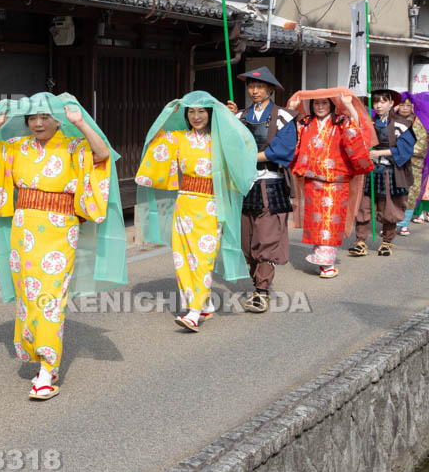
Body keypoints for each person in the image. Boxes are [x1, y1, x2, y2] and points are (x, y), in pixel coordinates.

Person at [0, 93, 126, 400]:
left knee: (50, 297)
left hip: (59, 229)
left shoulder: (74, 145)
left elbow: (102, 156)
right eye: (32, 118)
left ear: (58, 120)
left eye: (44, 117)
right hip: (23, 229)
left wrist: (81, 123)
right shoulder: (17, 147)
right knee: (28, 294)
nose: (37, 123)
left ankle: (48, 370)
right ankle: (36, 353)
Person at [135, 91, 257, 332]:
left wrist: (229, 120)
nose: (196, 116)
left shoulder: (220, 139)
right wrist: (166, 114)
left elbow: (244, 146)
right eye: (191, 111)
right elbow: (154, 141)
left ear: (211, 114)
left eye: (202, 111)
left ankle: (193, 312)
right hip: (185, 203)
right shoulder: (177, 137)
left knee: (202, 258)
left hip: (212, 203)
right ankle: (205, 303)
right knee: (182, 258)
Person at [226, 67, 298, 313]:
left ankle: (262, 290)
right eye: (250, 86)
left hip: (271, 183)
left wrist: (247, 158)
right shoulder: (239, 116)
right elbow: (227, 144)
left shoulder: (285, 118)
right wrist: (226, 119)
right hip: (244, 184)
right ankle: (257, 282)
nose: (254, 91)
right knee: (246, 242)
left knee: (266, 240)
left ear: (270, 89)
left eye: (260, 86)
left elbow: (282, 150)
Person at [286, 88, 374, 278]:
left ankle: (327, 262)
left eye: (325, 103)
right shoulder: (305, 122)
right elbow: (290, 136)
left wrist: (350, 105)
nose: (320, 107)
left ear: (332, 105)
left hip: (336, 180)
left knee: (331, 221)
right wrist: (292, 111)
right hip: (313, 179)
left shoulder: (342, 122)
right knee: (316, 220)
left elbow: (357, 132)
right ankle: (321, 257)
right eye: (316, 103)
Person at [349, 89, 415, 257]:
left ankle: (386, 242)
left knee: (389, 208)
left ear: (391, 104)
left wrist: (379, 153)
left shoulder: (402, 124)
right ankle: (360, 241)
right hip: (368, 171)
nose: (378, 106)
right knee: (363, 206)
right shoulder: (368, 123)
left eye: (383, 102)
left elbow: (405, 150)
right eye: (376, 102)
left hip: (389, 171)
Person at [394, 93, 428, 234]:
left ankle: (404, 223)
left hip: (414, 164)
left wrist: (402, 150)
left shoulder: (419, 122)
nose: (405, 108)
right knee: (394, 193)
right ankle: (390, 223)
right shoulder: (391, 119)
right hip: (394, 162)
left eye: (408, 105)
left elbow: (422, 145)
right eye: (402, 104)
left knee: (411, 193)